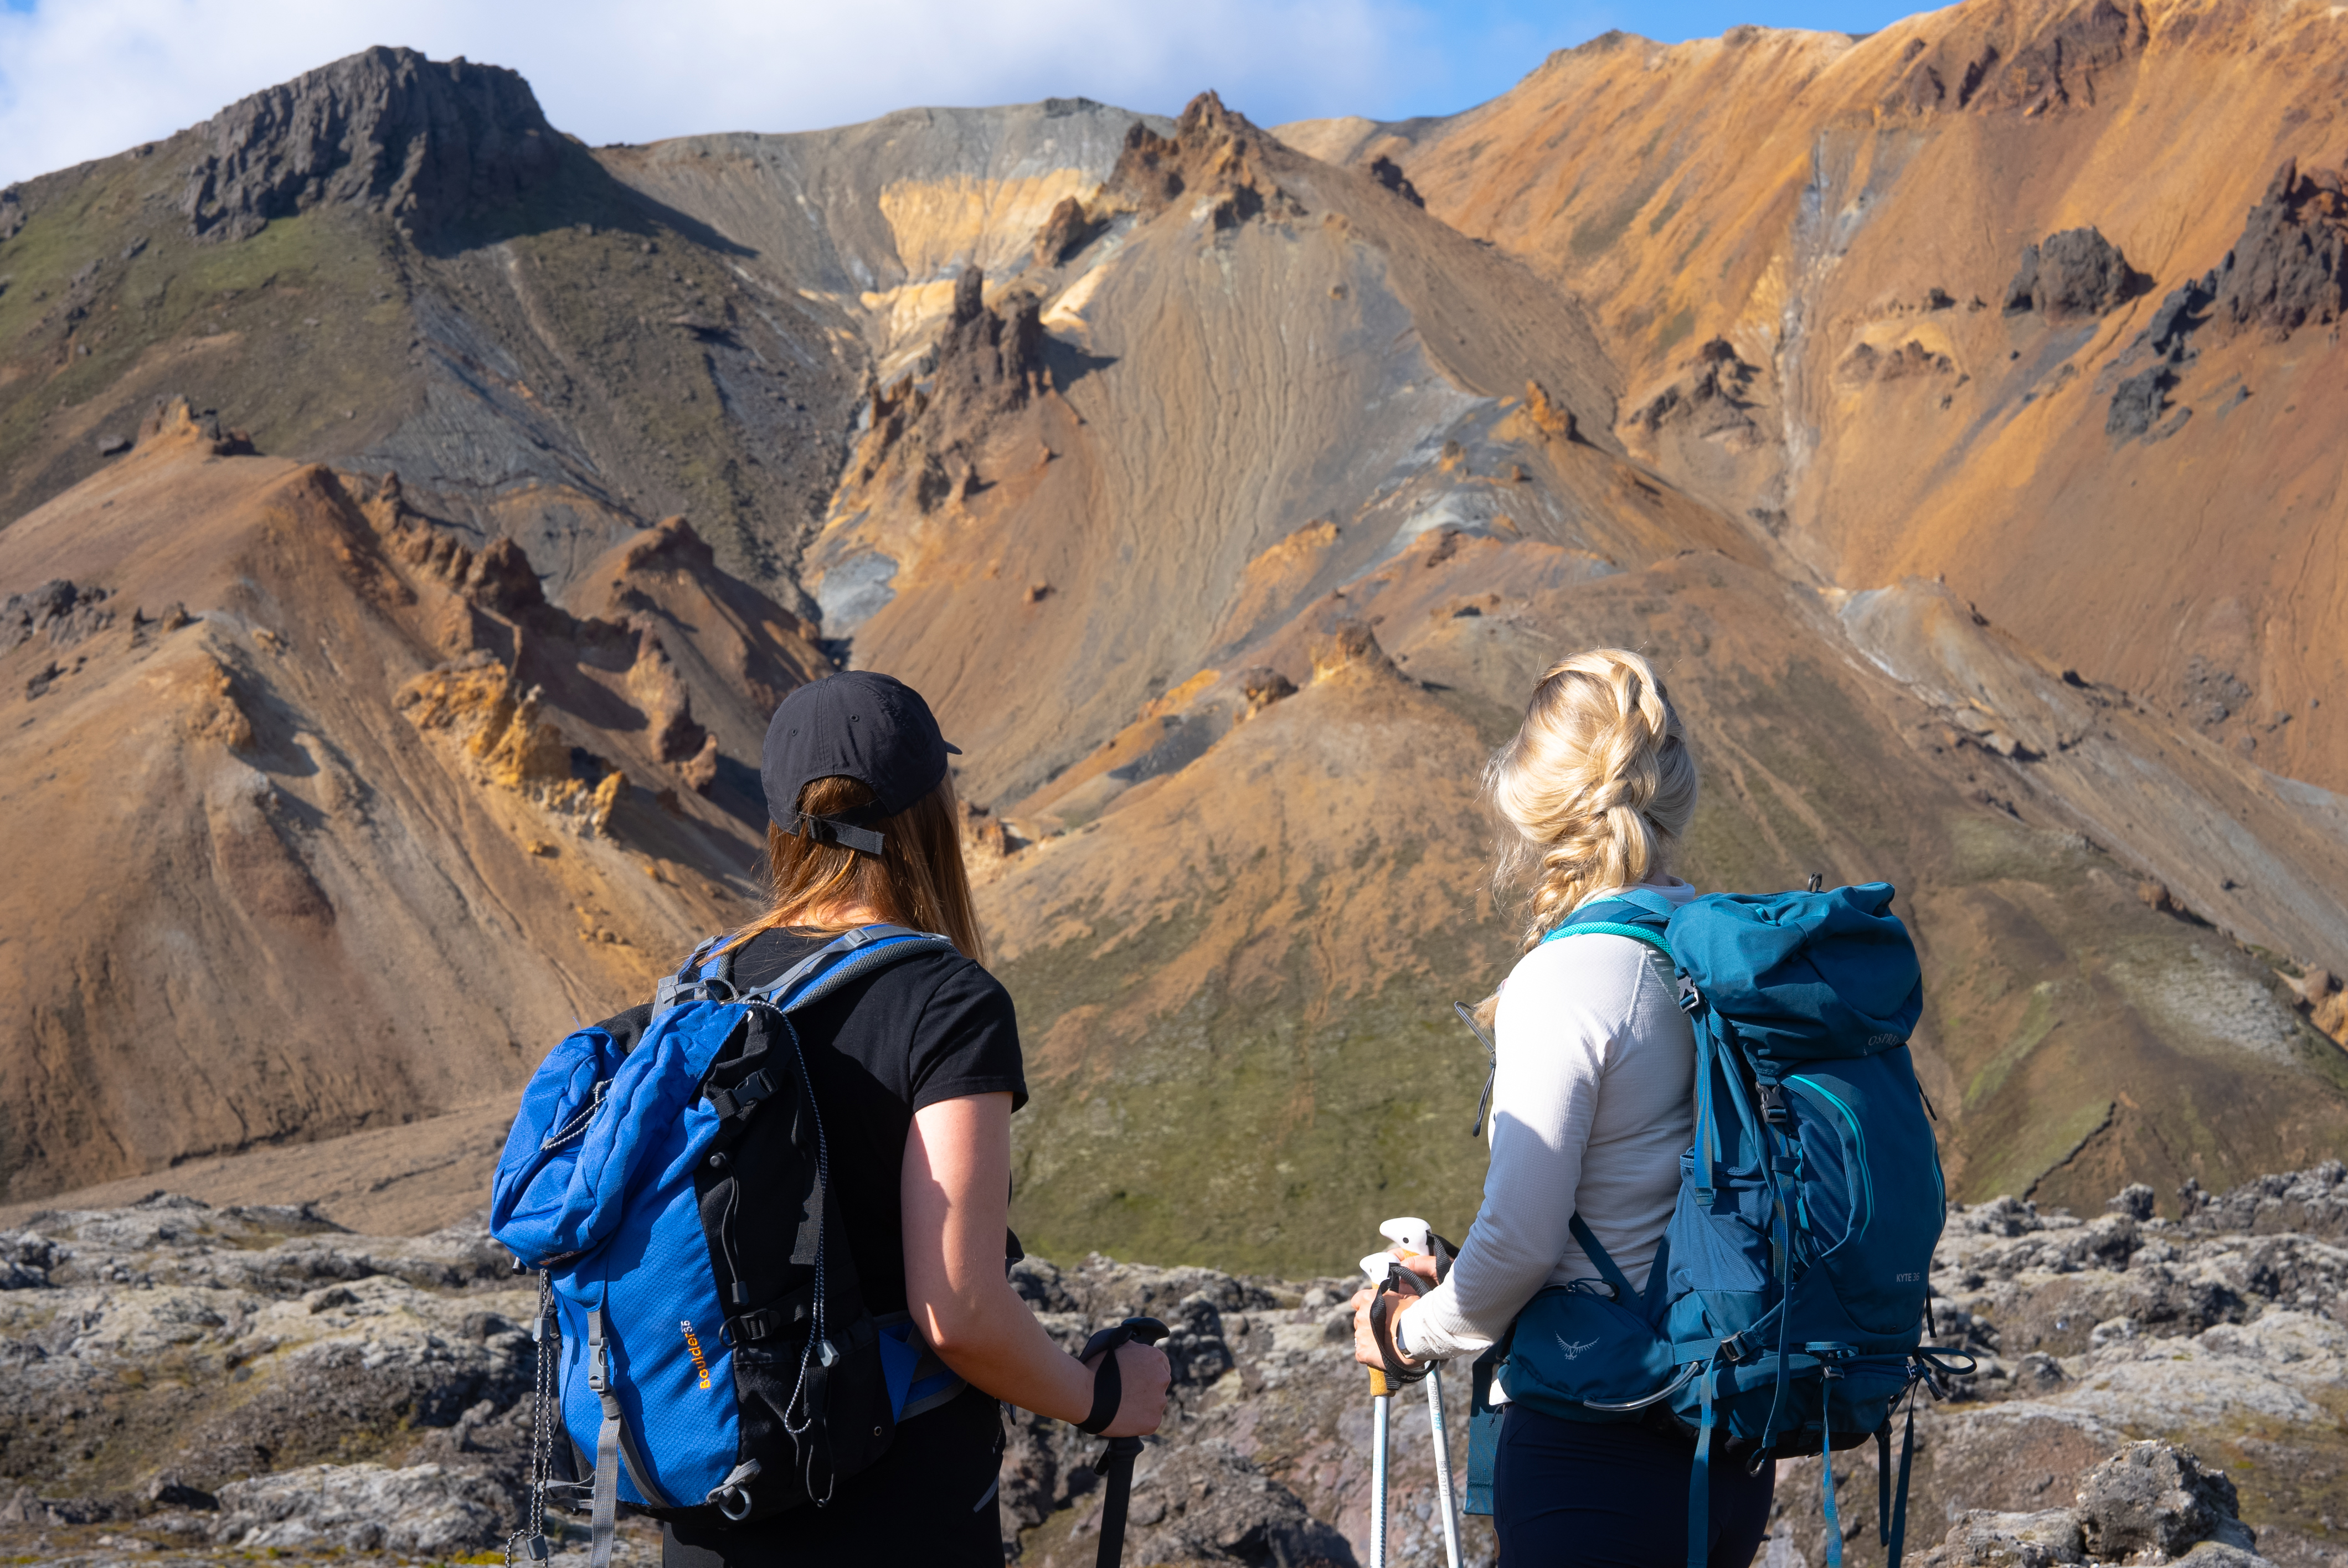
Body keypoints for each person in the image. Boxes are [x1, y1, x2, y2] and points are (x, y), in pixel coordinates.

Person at [661, 670, 1170, 1568]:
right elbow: (960, 1311)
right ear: (928, 812)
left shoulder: (704, 984)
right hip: (892, 1505)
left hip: (717, 1506)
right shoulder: (947, 1003)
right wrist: (1101, 1399)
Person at [1349, 647, 1774, 1566]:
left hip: (1598, 1440)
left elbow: (1525, 1242)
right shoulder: (1714, 955)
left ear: (1532, 809)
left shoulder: (1570, 977)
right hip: (1728, 1444)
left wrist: (1405, 1330)